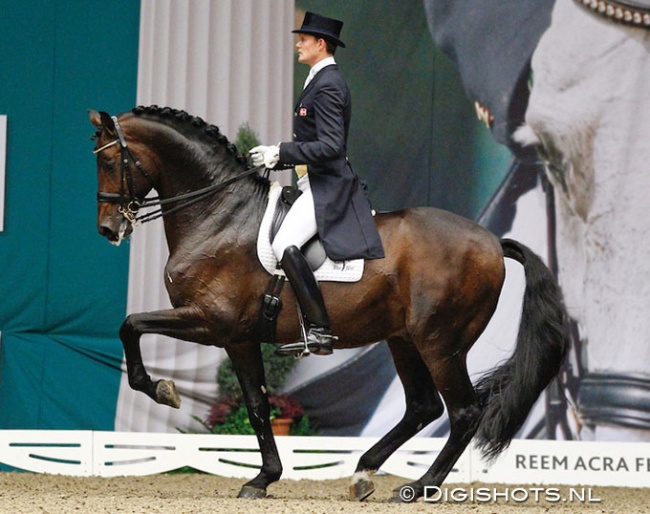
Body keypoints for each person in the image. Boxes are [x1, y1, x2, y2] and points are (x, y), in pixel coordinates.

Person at [250, 12, 384, 357]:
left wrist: (281, 152)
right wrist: (281, 156)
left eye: (303, 39)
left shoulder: (328, 85)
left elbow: (330, 147)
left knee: (284, 244)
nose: (298, 44)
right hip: (314, 181)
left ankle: (320, 331)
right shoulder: (318, 80)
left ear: (320, 44)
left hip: (328, 186)